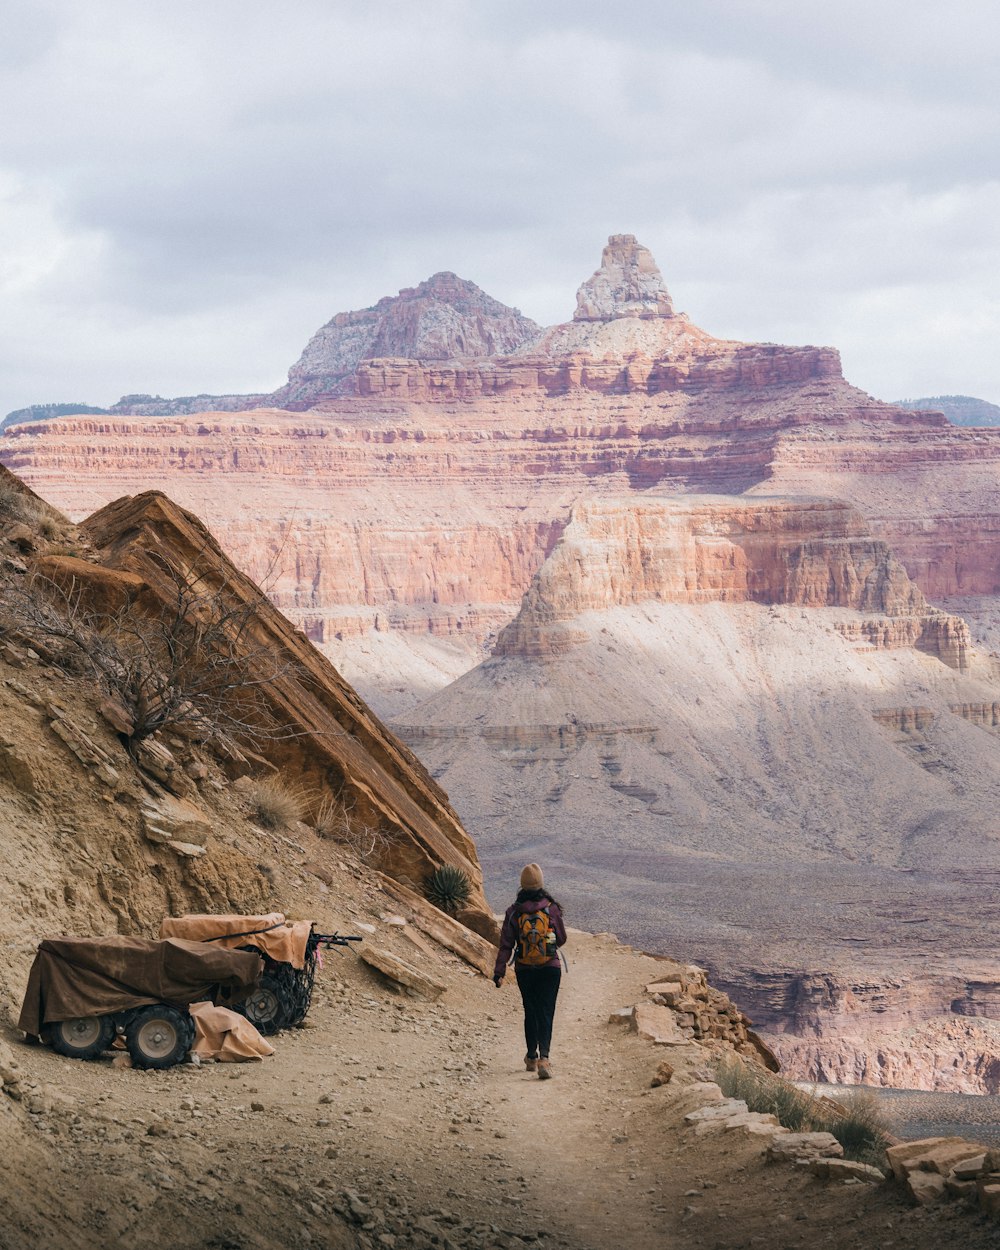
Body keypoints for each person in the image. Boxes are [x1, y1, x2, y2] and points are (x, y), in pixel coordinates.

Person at [493, 863, 567, 1080]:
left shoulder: (513, 912)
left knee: (531, 1010)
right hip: (550, 968)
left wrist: (499, 972)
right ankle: (545, 1057)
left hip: (525, 969)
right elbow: (561, 939)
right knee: (546, 1011)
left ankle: (531, 1056)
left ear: (522, 886)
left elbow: (506, 944)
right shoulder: (551, 908)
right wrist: (548, 943)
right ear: (541, 883)